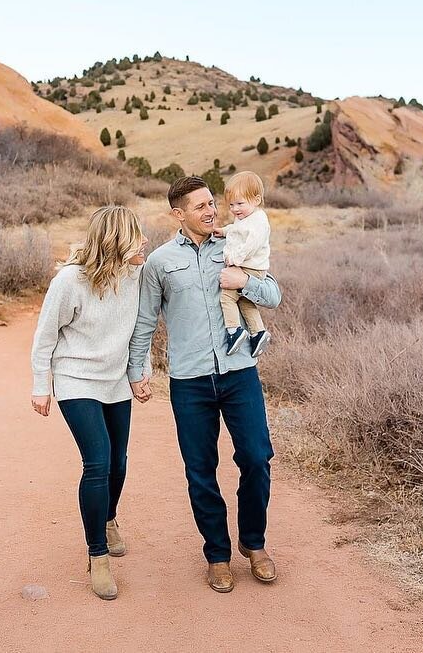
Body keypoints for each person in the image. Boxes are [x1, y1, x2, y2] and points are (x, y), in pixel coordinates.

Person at [128, 175, 282, 593]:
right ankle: (217, 554)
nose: (211, 210)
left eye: (212, 202)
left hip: (239, 373)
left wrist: (244, 282)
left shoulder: (235, 246)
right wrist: (137, 371)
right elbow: (145, 321)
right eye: (200, 206)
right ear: (178, 214)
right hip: (189, 381)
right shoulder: (160, 262)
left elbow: (273, 294)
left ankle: (254, 543)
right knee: (200, 470)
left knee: (256, 458)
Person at [30, 205, 152, 601]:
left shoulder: (136, 276)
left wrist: (140, 373)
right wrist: (40, 384)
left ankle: (109, 517)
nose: (146, 241)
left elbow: (140, 331)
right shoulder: (70, 281)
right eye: (137, 235)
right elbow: (46, 335)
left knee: (119, 462)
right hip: (75, 379)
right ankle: (97, 555)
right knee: (98, 461)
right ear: (117, 240)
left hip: (115, 380)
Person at [213, 171, 272, 358]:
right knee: (246, 302)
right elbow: (237, 231)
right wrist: (223, 231)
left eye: (239, 204)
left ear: (256, 199)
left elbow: (250, 243)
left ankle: (234, 331)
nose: (235, 209)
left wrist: (235, 260)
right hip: (253, 267)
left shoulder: (259, 221)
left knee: (227, 298)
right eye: (231, 205)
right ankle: (258, 332)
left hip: (249, 268)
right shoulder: (246, 217)